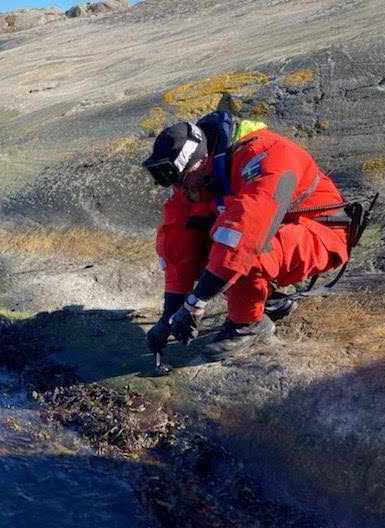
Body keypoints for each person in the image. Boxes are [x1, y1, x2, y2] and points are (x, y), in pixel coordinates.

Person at [141, 111, 349, 360]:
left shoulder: (266, 154)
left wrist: (195, 303)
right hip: (278, 233)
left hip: (321, 232)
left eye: (184, 180)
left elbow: (245, 237)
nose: (181, 188)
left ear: (200, 160)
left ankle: (249, 325)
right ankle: (268, 300)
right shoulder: (195, 179)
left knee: (241, 251)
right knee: (205, 249)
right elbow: (179, 246)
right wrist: (170, 316)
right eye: (176, 183)